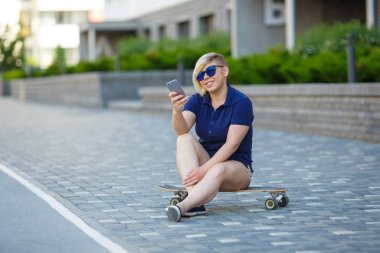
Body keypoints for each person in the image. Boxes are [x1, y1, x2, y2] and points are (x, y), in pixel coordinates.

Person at [166, 52, 254, 222]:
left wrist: (203, 170)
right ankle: (195, 201)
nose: (206, 77)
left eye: (211, 70)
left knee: (218, 169)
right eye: (201, 74)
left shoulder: (241, 102)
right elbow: (181, 129)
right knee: (184, 139)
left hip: (237, 168)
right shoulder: (198, 100)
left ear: (225, 71)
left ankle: (183, 207)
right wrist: (176, 111)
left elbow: (232, 145)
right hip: (206, 163)